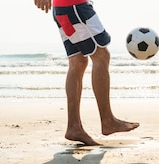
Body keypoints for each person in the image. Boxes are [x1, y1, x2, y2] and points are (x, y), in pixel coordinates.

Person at [34, 0, 139, 146]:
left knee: (78, 62)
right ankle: (107, 121)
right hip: (74, 6)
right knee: (101, 56)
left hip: (65, 8)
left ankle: (74, 126)